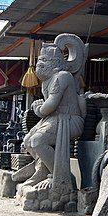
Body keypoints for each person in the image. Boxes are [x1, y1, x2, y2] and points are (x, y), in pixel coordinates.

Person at [22, 34, 87, 197]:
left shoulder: (62, 76)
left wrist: (38, 109)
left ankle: (58, 176)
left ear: (56, 63)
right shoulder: (47, 81)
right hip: (54, 118)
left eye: (44, 61)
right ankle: (41, 171)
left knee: (38, 141)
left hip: (69, 120)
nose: (39, 65)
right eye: (39, 61)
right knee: (28, 141)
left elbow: (50, 105)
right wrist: (40, 106)